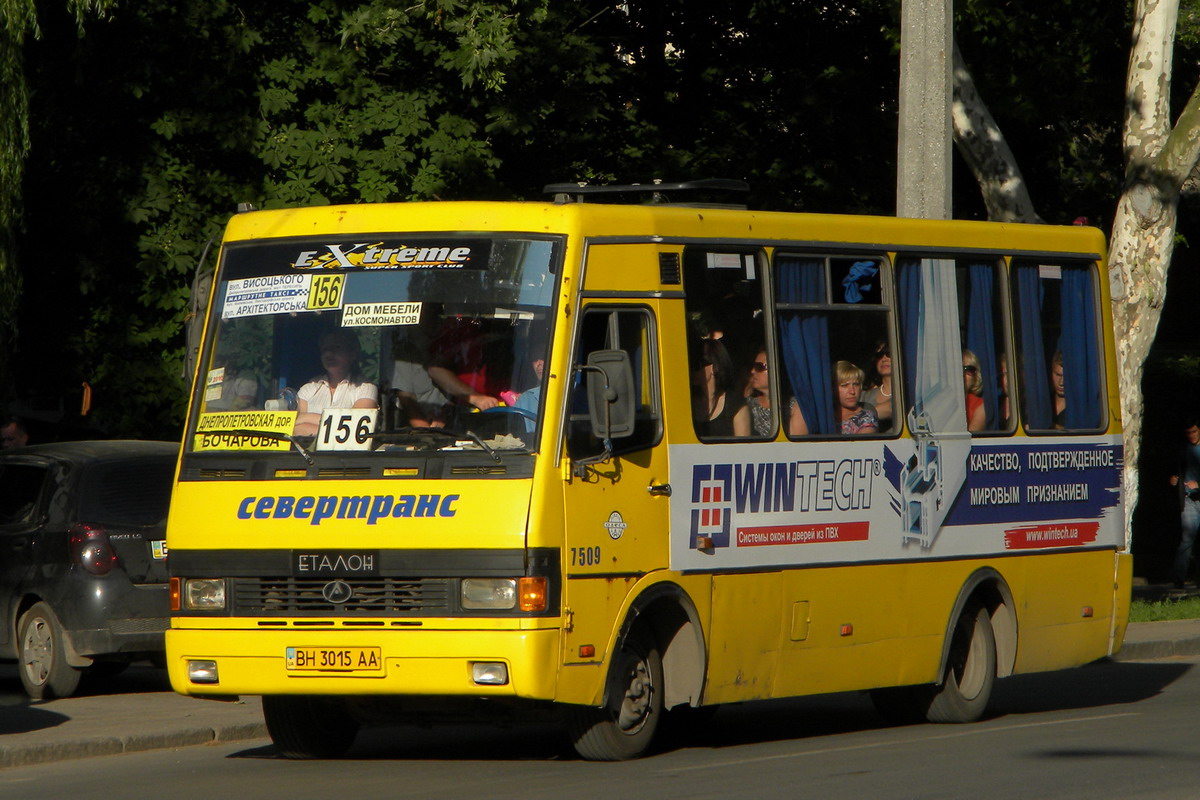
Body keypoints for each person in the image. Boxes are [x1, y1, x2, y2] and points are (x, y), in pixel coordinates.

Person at [294, 330, 379, 437]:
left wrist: (305, 418)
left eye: (336, 348)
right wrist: (335, 428)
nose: (329, 354)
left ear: (352, 354)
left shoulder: (365, 388)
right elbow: (294, 429)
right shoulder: (309, 388)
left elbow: (355, 428)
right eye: (325, 349)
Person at [1169, 419, 1200, 588]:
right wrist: (1175, 480)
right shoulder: (1183, 450)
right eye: (1188, 433)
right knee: (1187, 538)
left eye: (1194, 432)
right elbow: (1176, 470)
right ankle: (1178, 578)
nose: (1192, 436)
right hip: (1189, 499)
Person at [690, 338, 739, 437]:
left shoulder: (735, 404)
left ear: (714, 367)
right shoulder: (686, 402)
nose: (691, 370)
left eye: (697, 364)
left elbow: (744, 449)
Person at [733, 349, 771, 437]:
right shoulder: (748, 404)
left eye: (759, 367)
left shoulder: (792, 406)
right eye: (753, 366)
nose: (752, 371)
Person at [835, 360, 877, 435]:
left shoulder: (865, 418)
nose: (852, 391)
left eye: (856, 384)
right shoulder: (824, 415)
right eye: (845, 385)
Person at [862, 340, 894, 432]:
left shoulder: (907, 394)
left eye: (889, 353)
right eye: (879, 355)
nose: (884, 359)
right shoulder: (865, 396)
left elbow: (891, 408)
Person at [962, 349, 987, 432]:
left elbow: (971, 437)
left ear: (976, 377)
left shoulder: (980, 405)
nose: (962, 374)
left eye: (969, 370)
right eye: (959, 369)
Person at [1050, 351, 1066, 429]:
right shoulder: (1043, 402)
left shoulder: (1079, 408)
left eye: (1066, 377)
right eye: (1058, 375)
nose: (1061, 382)